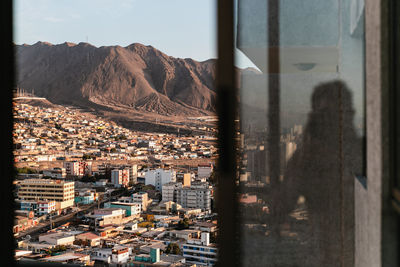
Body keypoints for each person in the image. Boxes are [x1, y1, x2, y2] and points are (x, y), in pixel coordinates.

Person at [275, 80, 362, 266]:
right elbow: (283, 204)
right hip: (326, 251)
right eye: (326, 117)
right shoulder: (307, 157)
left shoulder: (363, 152)